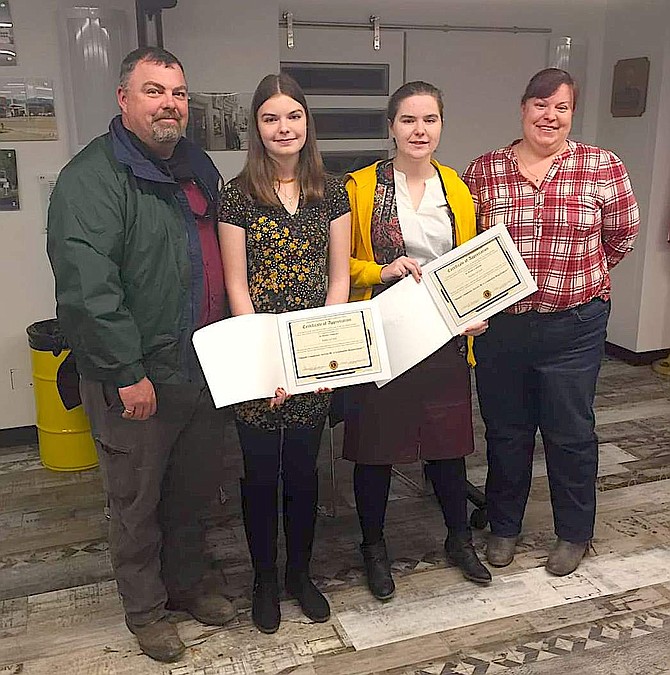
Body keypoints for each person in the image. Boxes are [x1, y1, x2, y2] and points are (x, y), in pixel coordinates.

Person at [46, 47, 234, 663]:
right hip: (137, 378)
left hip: (200, 367)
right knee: (136, 501)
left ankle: (185, 585)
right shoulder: (90, 180)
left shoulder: (196, 165)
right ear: (123, 100)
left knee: (192, 492)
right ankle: (146, 610)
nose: (169, 104)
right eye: (153, 91)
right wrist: (127, 373)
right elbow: (87, 292)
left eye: (178, 93)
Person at [462, 68, 639, 576]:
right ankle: (503, 526)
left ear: (571, 114)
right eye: (541, 105)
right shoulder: (485, 170)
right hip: (504, 329)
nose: (550, 116)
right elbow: (469, 246)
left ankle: (574, 533)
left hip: (574, 326)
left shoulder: (601, 166)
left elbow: (621, 235)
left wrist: (580, 278)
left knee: (570, 432)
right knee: (506, 431)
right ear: (523, 108)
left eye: (561, 107)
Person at [344, 81, 492, 602]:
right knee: (375, 452)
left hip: (445, 338)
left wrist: (477, 313)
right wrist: (381, 270)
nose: (419, 130)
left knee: (448, 447)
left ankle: (457, 538)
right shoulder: (358, 187)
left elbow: (472, 261)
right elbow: (338, 264)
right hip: (384, 336)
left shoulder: (456, 186)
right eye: (408, 120)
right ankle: (374, 547)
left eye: (430, 119)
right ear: (391, 127)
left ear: (441, 125)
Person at [218, 73, 350, 633]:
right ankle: (264, 578)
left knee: (303, 471)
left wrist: (319, 357)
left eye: (292, 116)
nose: (283, 128)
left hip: (314, 356)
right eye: (270, 118)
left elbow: (339, 279)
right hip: (260, 356)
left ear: (306, 123)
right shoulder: (236, 194)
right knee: (259, 474)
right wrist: (268, 362)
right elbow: (237, 289)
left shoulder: (332, 191)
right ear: (257, 127)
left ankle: (300, 573)